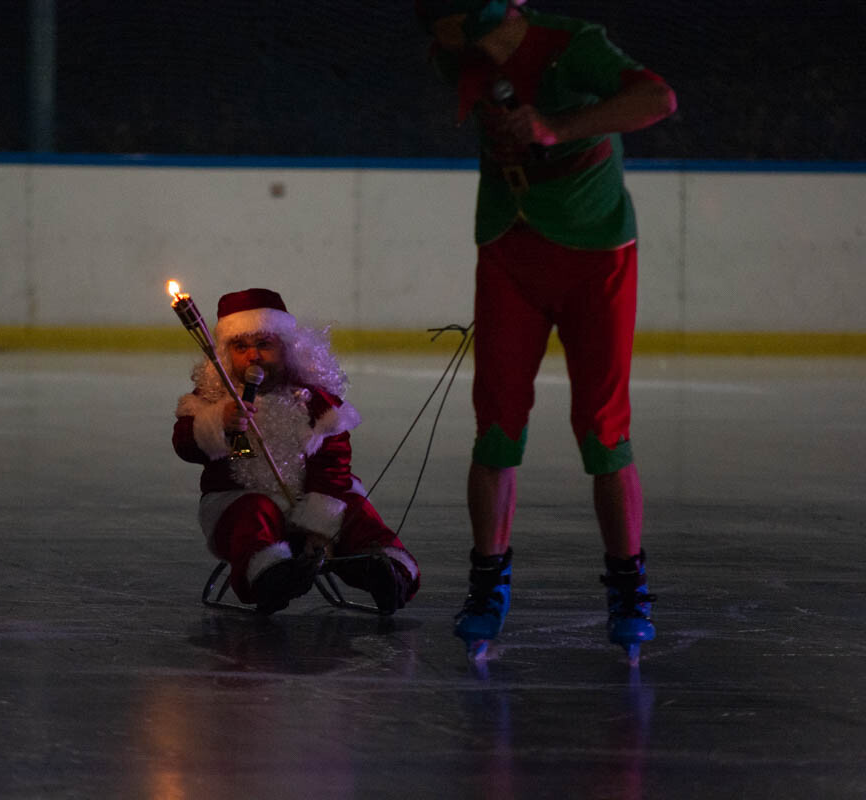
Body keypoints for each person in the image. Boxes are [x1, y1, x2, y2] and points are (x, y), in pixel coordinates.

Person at [414, 0, 677, 655]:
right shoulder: (459, 51)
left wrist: (559, 127)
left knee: (603, 428)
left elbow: (657, 99)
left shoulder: (574, 44)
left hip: (596, 250)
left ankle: (628, 585)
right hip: (510, 247)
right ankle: (487, 581)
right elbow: (450, 46)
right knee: (496, 425)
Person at [172, 288, 420, 615]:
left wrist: (319, 528)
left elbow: (333, 467)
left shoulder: (314, 403)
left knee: (354, 509)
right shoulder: (213, 401)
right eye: (241, 347)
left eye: (264, 344)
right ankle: (269, 577)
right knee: (253, 513)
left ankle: (385, 570)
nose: (253, 356)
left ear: (286, 349)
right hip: (241, 503)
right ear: (225, 353)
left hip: (310, 501)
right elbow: (186, 445)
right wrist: (217, 424)